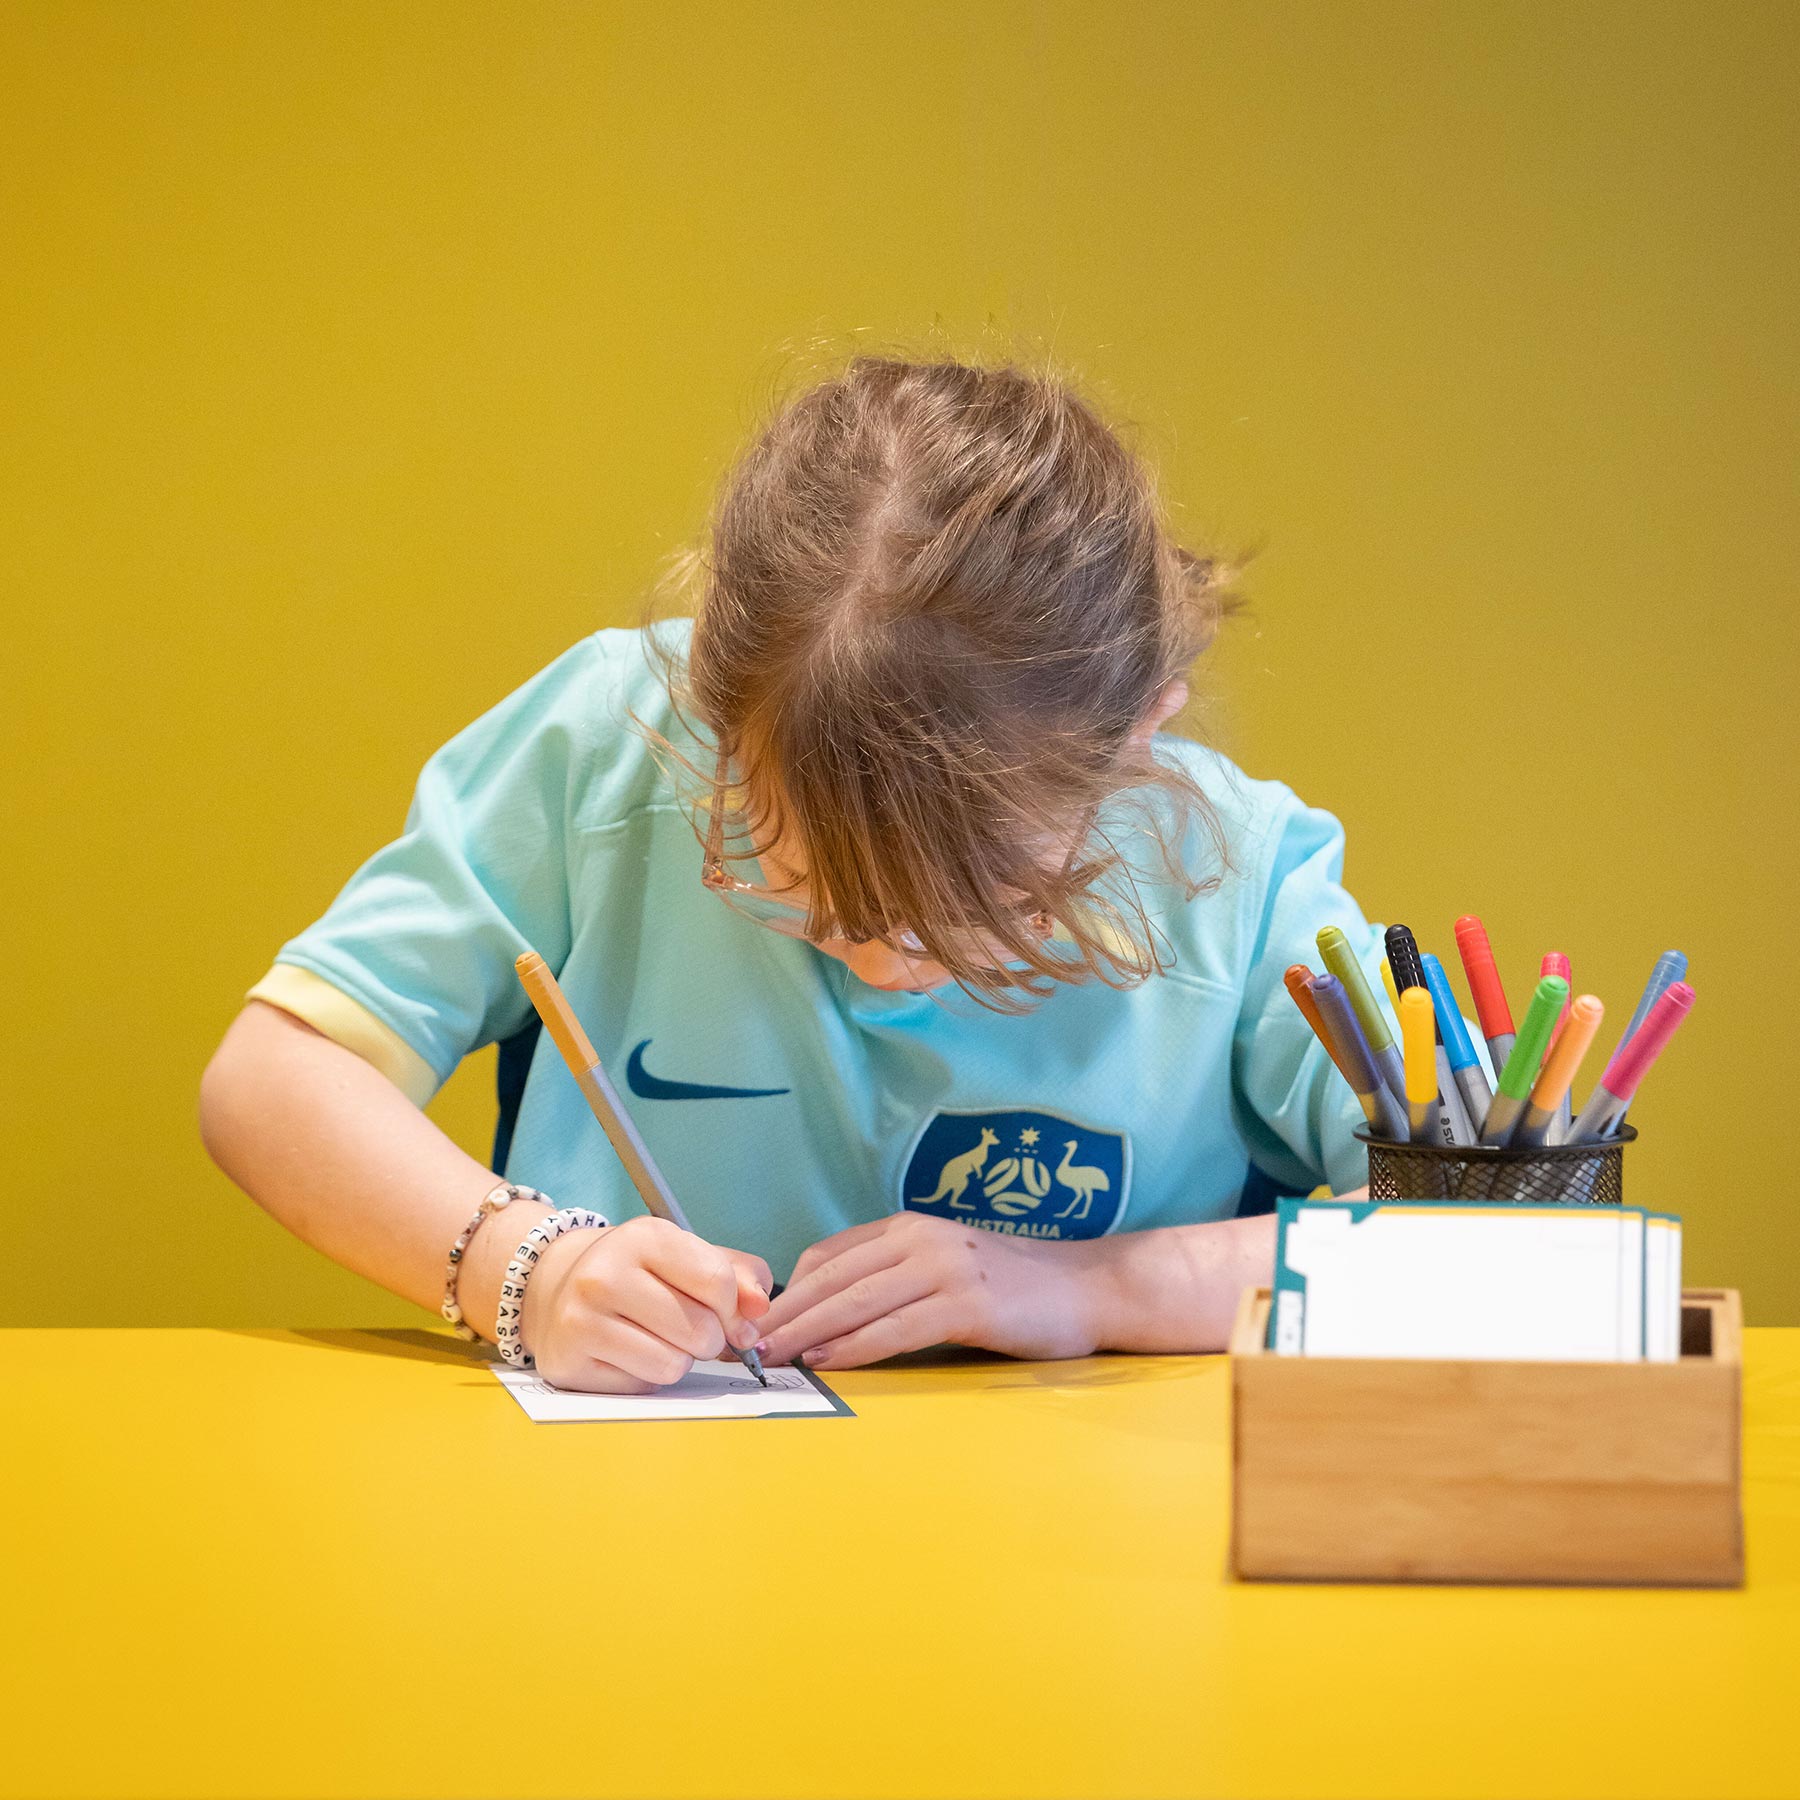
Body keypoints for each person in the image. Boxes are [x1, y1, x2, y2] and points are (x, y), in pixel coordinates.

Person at [200, 355, 1384, 1394]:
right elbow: (271, 1081)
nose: (885, 962)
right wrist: (531, 1266)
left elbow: (1467, 1227)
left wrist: (1088, 1289)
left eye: (989, 908)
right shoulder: (604, 748)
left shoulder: (1240, 873)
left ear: (1136, 741)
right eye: (818, 898)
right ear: (711, 716)